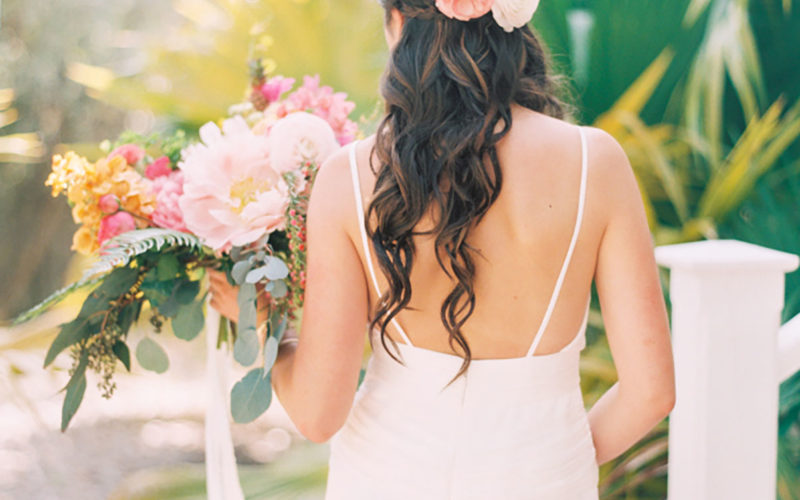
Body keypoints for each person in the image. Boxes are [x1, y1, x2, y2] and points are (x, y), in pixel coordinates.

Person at [209, 0, 676, 498]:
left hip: (386, 476)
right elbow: (651, 392)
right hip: (544, 479)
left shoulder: (350, 178)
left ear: (400, 24)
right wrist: (558, 452)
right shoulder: (595, 163)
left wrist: (262, 328)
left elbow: (318, 414)